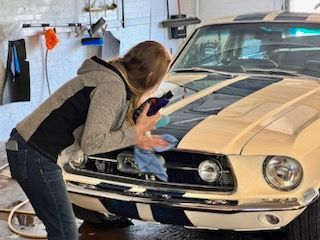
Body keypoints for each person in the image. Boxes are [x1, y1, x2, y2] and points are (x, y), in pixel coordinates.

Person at [5, 40, 172, 240]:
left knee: (62, 231)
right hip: (35, 155)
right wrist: (135, 132)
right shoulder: (112, 86)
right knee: (64, 232)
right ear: (151, 77)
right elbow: (92, 142)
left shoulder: (112, 77)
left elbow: (103, 128)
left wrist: (136, 137)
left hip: (29, 150)